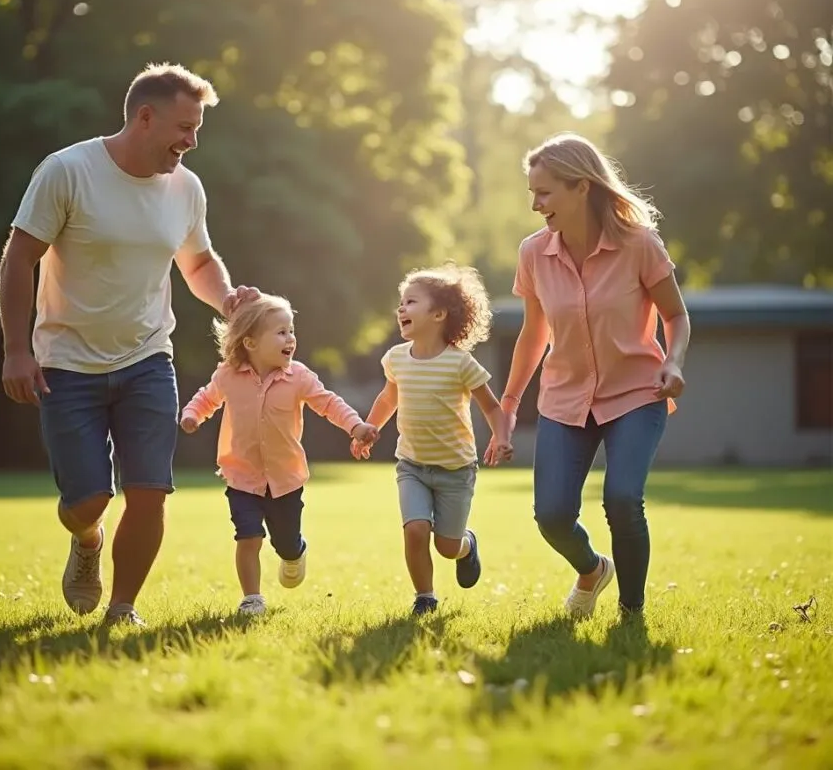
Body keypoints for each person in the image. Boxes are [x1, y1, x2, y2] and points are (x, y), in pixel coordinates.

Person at [0, 62, 259, 627]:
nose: (191, 142)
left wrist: (229, 299)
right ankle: (86, 539)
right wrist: (17, 350)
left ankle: (122, 609)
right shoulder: (68, 171)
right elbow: (19, 257)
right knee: (87, 500)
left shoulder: (186, 187)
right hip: (65, 364)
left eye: (197, 131)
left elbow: (198, 261)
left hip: (147, 358)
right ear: (146, 117)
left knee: (149, 491)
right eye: (184, 128)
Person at [486, 132, 690, 618]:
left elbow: (676, 316)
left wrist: (674, 360)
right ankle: (593, 569)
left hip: (636, 393)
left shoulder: (639, 244)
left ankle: (631, 612)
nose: (536, 204)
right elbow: (534, 335)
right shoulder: (534, 253)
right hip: (564, 398)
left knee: (622, 498)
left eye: (544, 192)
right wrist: (509, 408)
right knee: (552, 516)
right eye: (532, 193)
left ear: (581, 187)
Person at [179, 294, 378, 615]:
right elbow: (206, 399)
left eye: (291, 330)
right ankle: (252, 597)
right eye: (281, 332)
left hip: (285, 479)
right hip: (241, 475)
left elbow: (328, 403)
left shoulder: (298, 376)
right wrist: (192, 415)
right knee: (248, 535)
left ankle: (294, 552)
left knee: (284, 541)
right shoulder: (228, 375)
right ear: (251, 343)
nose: (291, 338)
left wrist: (355, 426)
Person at [353, 264, 514, 616]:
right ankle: (425, 596)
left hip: (456, 470)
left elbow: (492, 406)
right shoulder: (396, 358)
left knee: (446, 545)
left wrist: (501, 437)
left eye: (410, 302)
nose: (401, 309)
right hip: (411, 464)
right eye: (401, 303)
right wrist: (369, 428)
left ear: (439, 314)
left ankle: (467, 546)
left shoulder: (460, 363)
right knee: (415, 530)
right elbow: (387, 399)